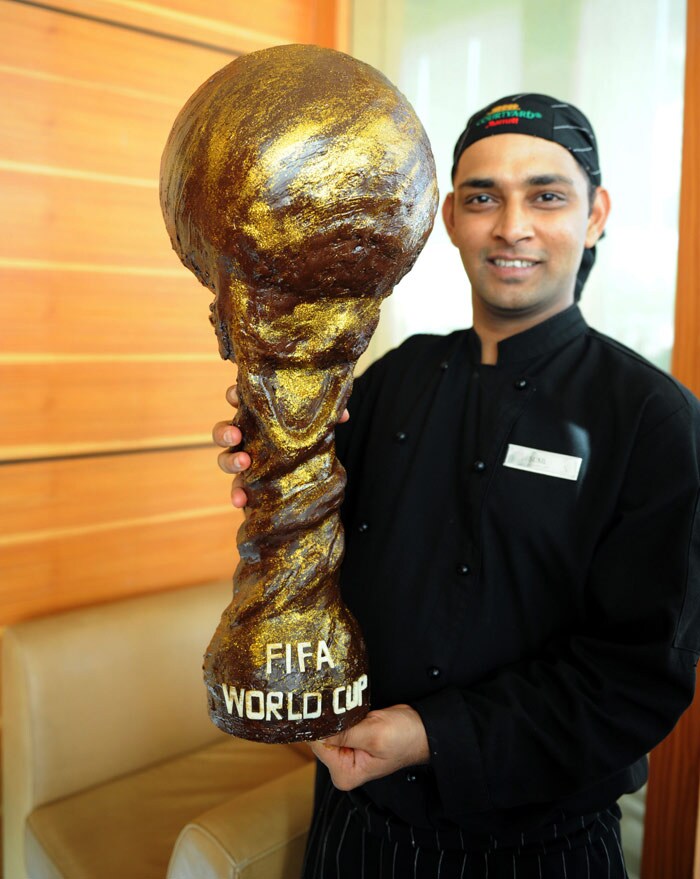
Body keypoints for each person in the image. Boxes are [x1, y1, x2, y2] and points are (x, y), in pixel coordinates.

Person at [213, 93, 700, 878]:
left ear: (596, 212)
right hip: (354, 824)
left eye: (546, 195)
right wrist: (271, 460)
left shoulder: (653, 419)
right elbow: (316, 553)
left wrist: (429, 733)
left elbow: (635, 679)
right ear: (447, 218)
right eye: (483, 197)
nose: (512, 226)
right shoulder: (387, 383)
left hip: (542, 847)